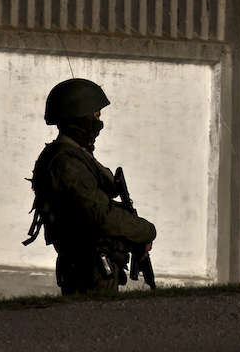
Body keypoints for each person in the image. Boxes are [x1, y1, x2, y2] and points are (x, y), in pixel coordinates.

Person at [23, 78, 156, 295]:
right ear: (81, 118)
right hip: (89, 267)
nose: (99, 123)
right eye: (96, 116)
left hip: (94, 265)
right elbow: (101, 215)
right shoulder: (66, 162)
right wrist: (146, 231)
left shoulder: (76, 157)